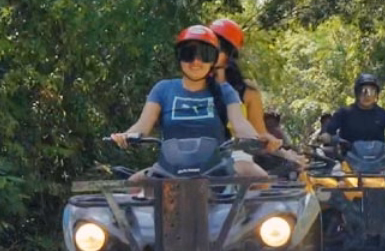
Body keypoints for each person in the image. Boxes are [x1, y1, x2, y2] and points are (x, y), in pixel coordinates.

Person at [110, 25, 266, 169]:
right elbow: (142, 126)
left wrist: (257, 140)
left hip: (216, 169)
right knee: (135, 184)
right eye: (188, 54)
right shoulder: (163, 89)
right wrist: (126, 136)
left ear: (213, 60)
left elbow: (240, 125)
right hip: (170, 168)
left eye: (205, 55)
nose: (196, 62)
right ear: (179, 58)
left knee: (255, 176)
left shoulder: (225, 91)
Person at [209, 18, 290, 177]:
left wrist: (274, 146)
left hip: (235, 157)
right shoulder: (191, 85)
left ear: (230, 54)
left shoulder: (247, 92)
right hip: (191, 156)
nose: (209, 53)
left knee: (259, 179)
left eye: (218, 47)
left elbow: (257, 135)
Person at [320, 73, 385, 149]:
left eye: (371, 91)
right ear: (357, 93)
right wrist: (325, 134)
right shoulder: (344, 113)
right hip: (348, 162)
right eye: (363, 91)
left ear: (376, 94)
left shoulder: (384, 115)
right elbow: (329, 128)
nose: (367, 96)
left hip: (379, 162)